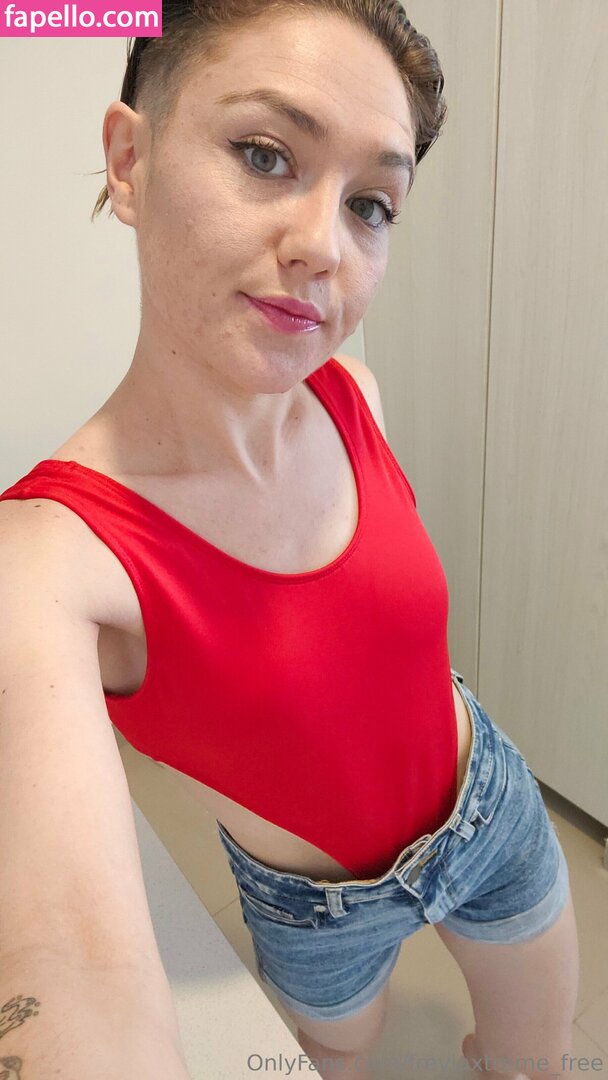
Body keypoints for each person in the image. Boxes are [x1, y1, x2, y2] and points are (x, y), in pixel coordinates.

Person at [0, 3, 579, 1079]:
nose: (324, 247)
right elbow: (70, 971)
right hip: (316, 911)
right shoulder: (49, 560)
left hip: (490, 809)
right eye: (265, 154)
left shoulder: (352, 390)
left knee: (538, 1059)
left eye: (370, 204)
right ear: (129, 161)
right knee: (332, 1061)